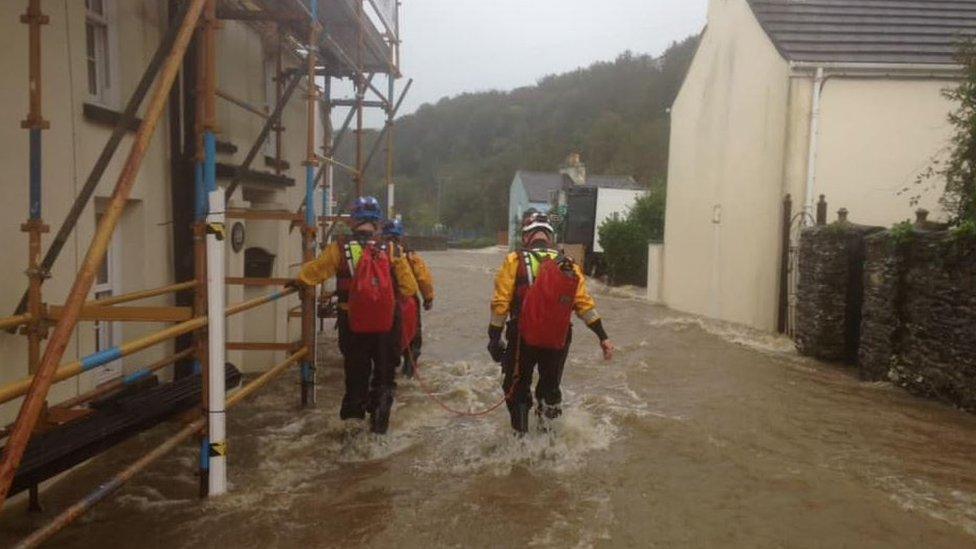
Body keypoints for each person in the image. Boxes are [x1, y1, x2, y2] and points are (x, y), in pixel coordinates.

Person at [293, 197, 419, 434]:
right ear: (377, 221)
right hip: (386, 325)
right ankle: (379, 428)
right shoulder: (392, 249)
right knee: (384, 379)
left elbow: (313, 273)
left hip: (352, 325)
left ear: (354, 220)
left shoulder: (339, 247)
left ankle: (352, 430)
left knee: (356, 377)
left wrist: (298, 280)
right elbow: (409, 288)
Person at [488, 211, 614, 434]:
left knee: (516, 386)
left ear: (527, 237)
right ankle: (548, 439)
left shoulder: (514, 260)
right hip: (558, 337)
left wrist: (494, 338)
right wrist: (603, 337)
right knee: (550, 387)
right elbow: (584, 304)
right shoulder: (569, 265)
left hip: (522, 336)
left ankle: (521, 440)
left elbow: (501, 303)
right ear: (550, 237)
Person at [383, 219, 435, 377]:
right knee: (413, 340)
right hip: (408, 303)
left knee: (385, 340)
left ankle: (386, 374)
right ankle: (409, 373)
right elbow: (423, 279)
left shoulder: (377, 252)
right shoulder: (410, 255)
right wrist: (428, 298)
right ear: (401, 236)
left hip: (384, 303)